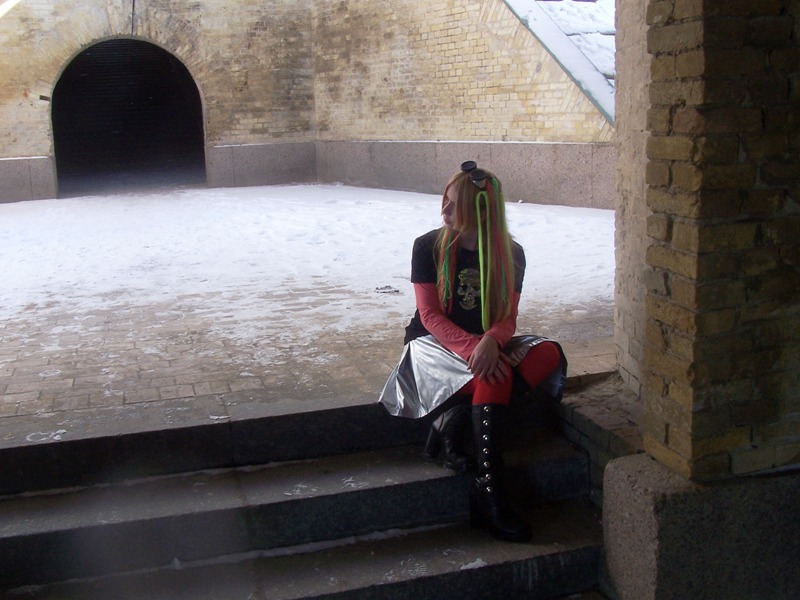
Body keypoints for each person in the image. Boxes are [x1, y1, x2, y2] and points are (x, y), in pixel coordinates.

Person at [379, 161, 567, 543]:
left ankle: (456, 420)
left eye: (455, 204)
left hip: (484, 343)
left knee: (547, 353)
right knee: (494, 376)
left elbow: (507, 317)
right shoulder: (428, 246)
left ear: (482, 211)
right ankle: (491, 489)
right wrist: (475, 348)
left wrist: (492, 341)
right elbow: (429, 315)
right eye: (445, 200)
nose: (444, 210)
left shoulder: (511, 253)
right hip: (431, 346)